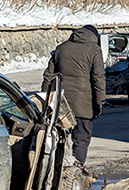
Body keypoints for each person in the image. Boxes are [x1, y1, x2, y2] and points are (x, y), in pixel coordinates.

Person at [42, 24, 105, 166]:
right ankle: (76, 171)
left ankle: (57, 168)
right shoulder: (94, 50)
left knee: (58, 137)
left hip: (60, 103)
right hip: (83, 104)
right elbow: (98, 78)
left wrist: (46, 98)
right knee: (81, 139)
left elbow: (48, 76)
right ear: (95, 37)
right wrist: (100, 102)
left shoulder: (61, 48)